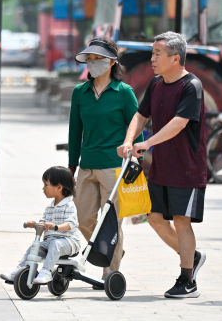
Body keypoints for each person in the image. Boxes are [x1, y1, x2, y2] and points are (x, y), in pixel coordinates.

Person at [118, 31, 206, 299]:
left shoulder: (192, 86)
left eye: (158, 54)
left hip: (187, 168)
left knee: (181, 220)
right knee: (154, 218)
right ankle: (191, 256)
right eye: (152, 53)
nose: (152, 59)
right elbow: (140, 115)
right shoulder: (156, 84)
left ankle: (187, 280)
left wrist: (146, 143)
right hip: (161, 167)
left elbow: (179, 124)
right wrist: (129, 140)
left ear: (175, 58)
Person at [67, 37, 139, 279]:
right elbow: (75, 131)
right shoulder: (80, 93)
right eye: (90, 59)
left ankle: (111, 273)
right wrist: (71, 166)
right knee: (84, 220)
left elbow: (136, 126)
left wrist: (135, 157)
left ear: (112, 62)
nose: (93, 63)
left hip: (114, 167)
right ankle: (114, 251)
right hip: (87, 165)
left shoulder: (124, 92)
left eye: (98, 59)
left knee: (112, 223)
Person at [1, 166, 83, 285]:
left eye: (46, 185)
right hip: (50, 241)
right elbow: (43, 223)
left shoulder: (69, 205)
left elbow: (71, 224)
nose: (43, 188)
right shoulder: (49, 207)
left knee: (56, 244)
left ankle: (46, 272)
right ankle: (20, 269)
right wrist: (34, 224)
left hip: (69, 242)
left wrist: (56, 227)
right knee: (34, 247)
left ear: (59, 187)